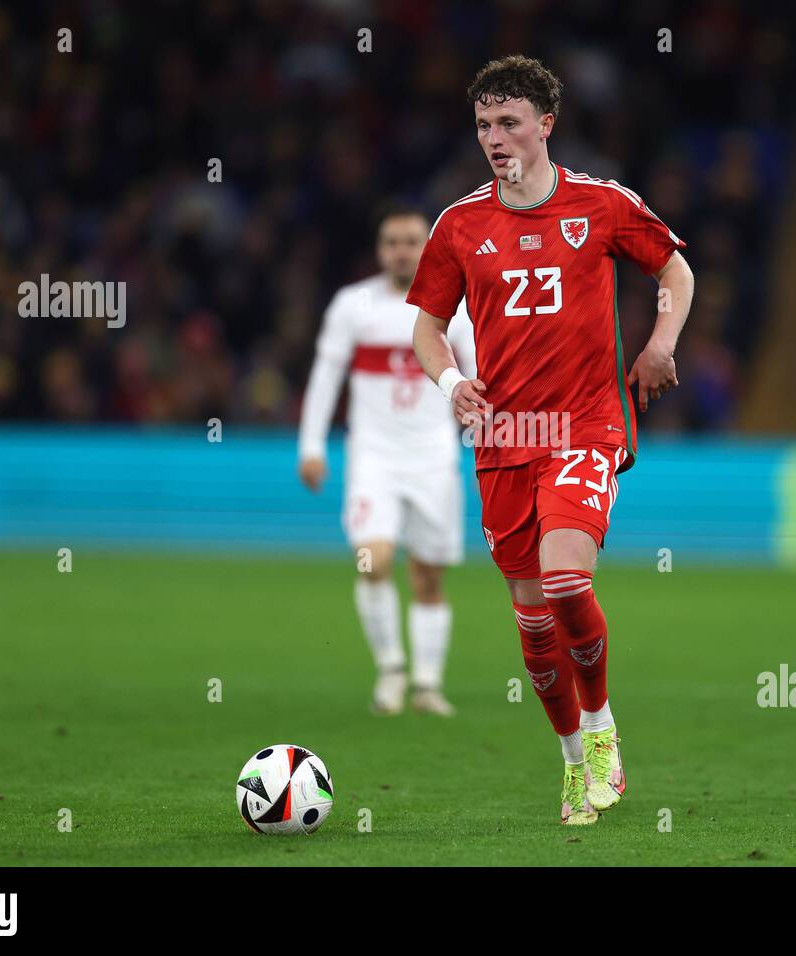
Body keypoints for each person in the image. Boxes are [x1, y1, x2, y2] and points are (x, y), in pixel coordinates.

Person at [408, 55, 695, 824]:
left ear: (545, 125)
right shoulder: (459, 225)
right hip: (503, 438)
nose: (494, 138)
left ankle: (601, 732)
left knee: (569, 585)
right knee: (534, 627)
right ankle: (572, 761)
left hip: (584, 426)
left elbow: (676, 273)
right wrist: (450, 384)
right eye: (482, 125)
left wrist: (661, 344)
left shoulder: (601, 205)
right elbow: (427, 331)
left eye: (508, 123)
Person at [299, 204, 475, 716]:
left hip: (433, 457)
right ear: (380, 250)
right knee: (372, 560)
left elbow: (480, 368)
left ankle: (426, 684)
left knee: (428, 574)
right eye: (392, 242)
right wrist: (312, 447)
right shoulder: (354, 305)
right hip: (372, 457)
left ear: (428, 247)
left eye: (411, 241)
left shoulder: (455, 307)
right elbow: (326, 377)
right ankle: (392, 669)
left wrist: (489, 429)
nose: (402, 251)